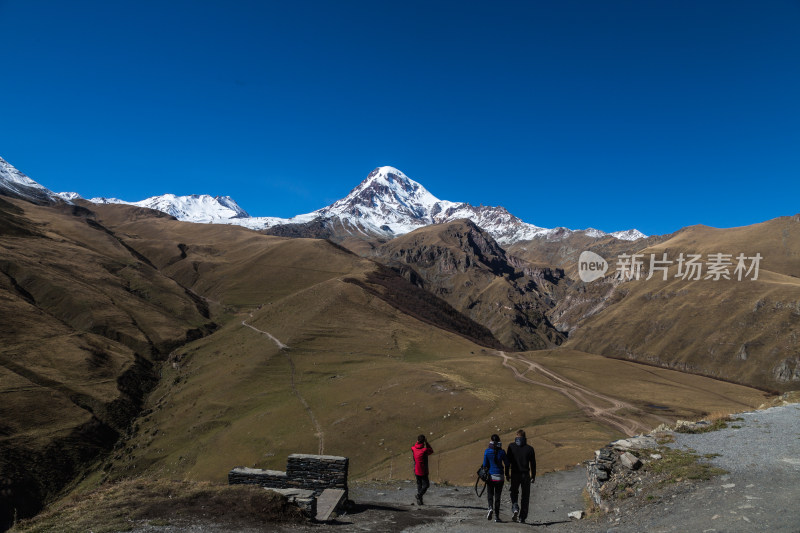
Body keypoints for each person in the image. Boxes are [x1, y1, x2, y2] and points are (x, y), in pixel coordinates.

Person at [505, 429, 536, 523]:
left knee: (514, 492)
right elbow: (533, 464)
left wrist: (507, 473)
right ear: (525, 437)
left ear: (517, 436)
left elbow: (507, 462)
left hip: (514, 473)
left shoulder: (511, 446)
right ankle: (522, 517)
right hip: (525, 474)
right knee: (525, 496)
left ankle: (515, 507)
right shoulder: (530, 448)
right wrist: (533, 475)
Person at [482, 434, 509, 522]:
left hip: (490, 476)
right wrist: (507, 474)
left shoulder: (487, 451)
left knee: (490, 494)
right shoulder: (502, 452)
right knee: (498, 496)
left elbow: (485, 465)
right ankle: (497, 517)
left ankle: (490, 508)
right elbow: (507, 463)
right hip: (500, 477)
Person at [411, 434, 434, 505]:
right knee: (426, 485)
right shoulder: (424, 450)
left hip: (416, 470)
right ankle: (419, 495)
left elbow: (414, 447)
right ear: (423, 441)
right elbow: (431, 451)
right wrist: (426, 443)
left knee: (419, 484)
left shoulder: (413, 449)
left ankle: (420, 501)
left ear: (417, 440)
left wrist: (417, 442)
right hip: (423, 470)